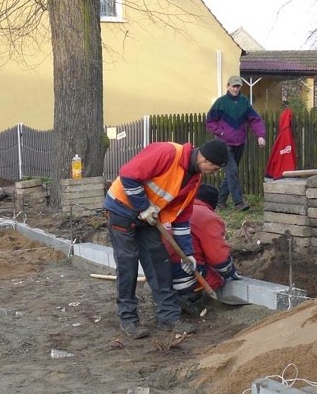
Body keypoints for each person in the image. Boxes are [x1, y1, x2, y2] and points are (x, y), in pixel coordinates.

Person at [103, 139, 228, 338]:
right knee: (128, 264)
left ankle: (168, 317)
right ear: (204, 157)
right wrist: (143, 206)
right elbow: (127, 174)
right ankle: (128, 320)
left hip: (149, 218)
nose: (211, 173)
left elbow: (181, 218)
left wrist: (188, 254)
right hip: (121, 208)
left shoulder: (194, 181)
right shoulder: (167, 153)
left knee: (159, 263)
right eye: (212, 168)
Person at [164, 184, 241, 315]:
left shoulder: (174, 209)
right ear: (212, 204)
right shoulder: (207, 217)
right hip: (181, 270)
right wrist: (230, 273)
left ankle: (166, 295)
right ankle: (186, 296)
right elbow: (218, 259)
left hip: (157, 270)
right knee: (215, 279)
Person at [206, 75, 266, 211]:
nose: (235, 88)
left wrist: (260, 136)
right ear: (228, 86)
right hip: (224, 144)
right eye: (233, 86)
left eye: (238, 86)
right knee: (232, 171)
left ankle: (220, 201)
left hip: (239, 143)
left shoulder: (244, 102)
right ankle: (239, 203)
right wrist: (221, 132)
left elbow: (255, 119)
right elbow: (210, 121)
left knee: (231, 174)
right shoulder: (220, 102)